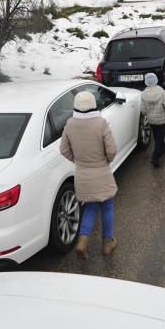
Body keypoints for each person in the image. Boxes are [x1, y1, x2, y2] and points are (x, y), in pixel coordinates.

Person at [60, 91, 119, 259]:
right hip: (101, 171)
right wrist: (106, 161)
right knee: (107, 207)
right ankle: (108, 242)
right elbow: (112, 149)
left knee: (91, 207)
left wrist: (78, 161)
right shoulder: (100, 123)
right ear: (93, 104)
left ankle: (83, 241)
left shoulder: (70, 124)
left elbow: (63, 149)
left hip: (82, 174)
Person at [140, 73, 165, 168]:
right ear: (156, 80)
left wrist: (147, 113)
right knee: (160, 137)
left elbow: (143, 110)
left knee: (157, 136)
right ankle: (155, 157)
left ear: (146, 82)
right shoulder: (162, 92)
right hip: (161, 120)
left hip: (151, 120)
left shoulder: (143, 93)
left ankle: (163, 146)